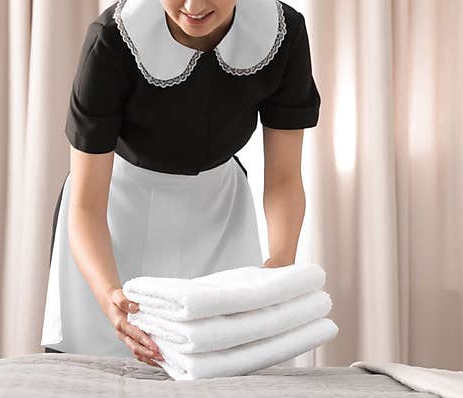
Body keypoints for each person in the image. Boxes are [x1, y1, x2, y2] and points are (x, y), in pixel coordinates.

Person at [41, 0, 321, 366]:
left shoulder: (282, 33)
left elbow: (284, 178)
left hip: (219, 217)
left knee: (229, 367)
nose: (193, 6)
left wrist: (280, 264)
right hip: (114, 219)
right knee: (97, 372)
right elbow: (86, 204)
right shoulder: (112, 39)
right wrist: (110, 297)